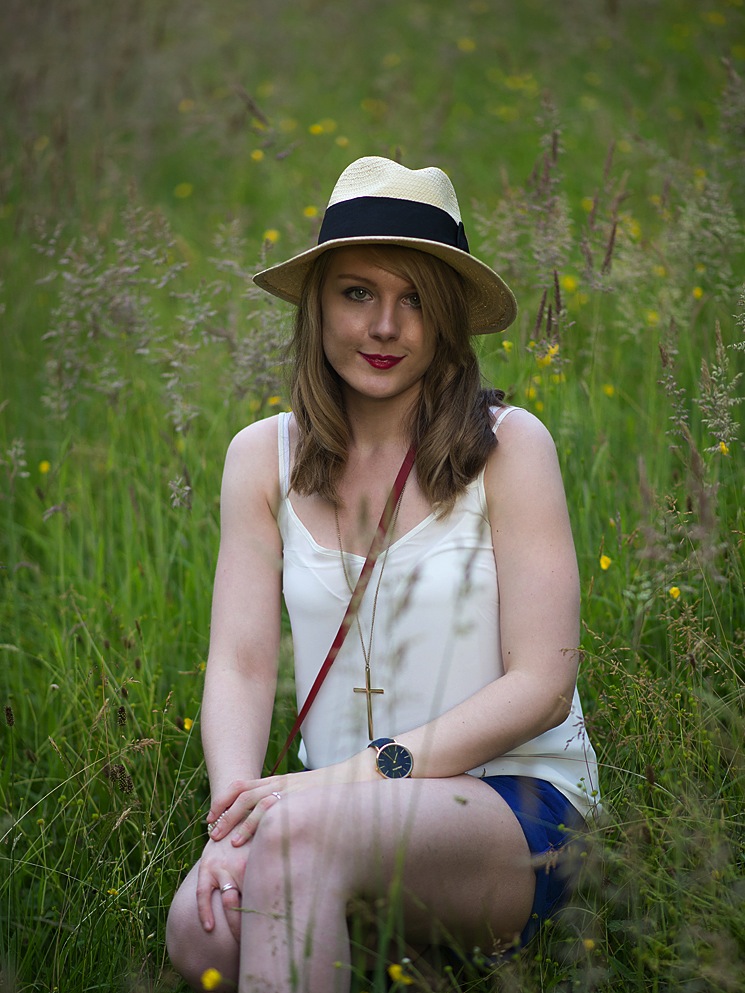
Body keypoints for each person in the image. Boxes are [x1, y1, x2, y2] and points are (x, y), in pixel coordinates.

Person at [166, 156, 600, 993]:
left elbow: (543, 683)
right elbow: (242, 662)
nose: (384, 326)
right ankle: (357, 932)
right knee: (201, 933)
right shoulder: (262, 457)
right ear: (318, 306)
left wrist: (354, 780)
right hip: (325, 812)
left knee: (300, 848)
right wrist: (233, 815)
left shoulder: (510, 446)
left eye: (414, 299)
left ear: (445, 320)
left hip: (514, 807)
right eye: (357, 293)